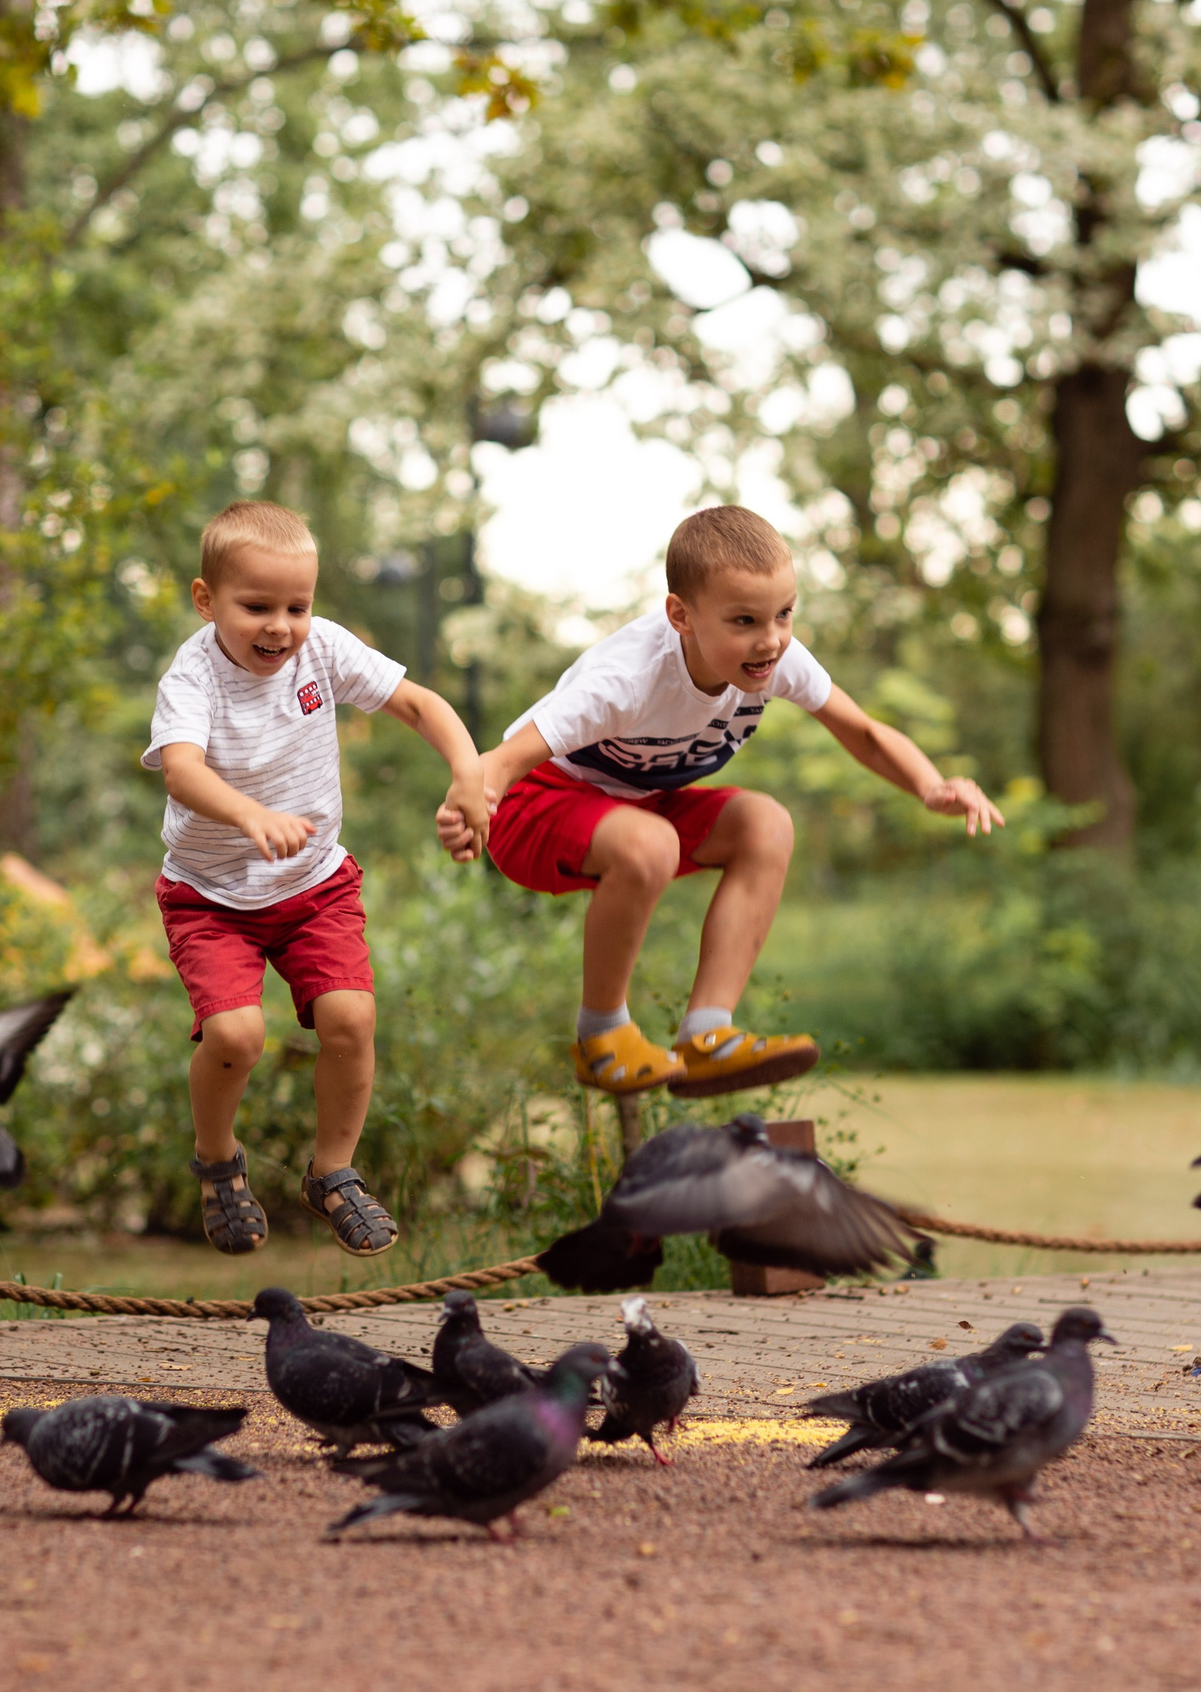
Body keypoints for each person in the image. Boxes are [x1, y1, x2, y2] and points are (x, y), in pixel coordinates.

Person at [441, 505, 1003, 1097]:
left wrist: (930, 784)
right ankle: (602, 1036)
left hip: (634, 810)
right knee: (651, 840)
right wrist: (466, 810)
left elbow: (860, 730)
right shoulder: (629, 678)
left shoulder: (778, 659)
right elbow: (498, 762)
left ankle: (708, 1035)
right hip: (535, 808)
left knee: (766, 823)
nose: (771, 640)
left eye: (784, 614)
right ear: (681, 616)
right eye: (744, 621)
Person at [147, 500, 490, 1257]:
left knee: (351, 1021)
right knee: (236, 1035)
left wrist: (469, 773)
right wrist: (248, 815)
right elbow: (180, 771)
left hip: (313, 886)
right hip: (211, 896)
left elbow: (417, 702)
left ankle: (333, 1173)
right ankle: (217, 1159)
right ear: (207, 601)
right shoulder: (193, 674)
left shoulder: (321, 651)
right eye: (256, 606)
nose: (280, 625)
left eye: (297, 605)